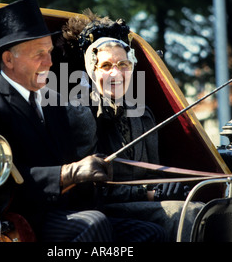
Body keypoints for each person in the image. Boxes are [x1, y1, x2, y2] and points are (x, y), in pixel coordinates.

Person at [0, 0, 166, 242]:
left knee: (151, 234)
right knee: (94, 224)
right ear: (9, 60)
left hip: (68, 210)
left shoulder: (55, 101)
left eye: (50, 52)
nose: (49, 62)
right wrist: (69, 173)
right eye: (39, 54)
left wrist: (93, 173)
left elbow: (78, 168)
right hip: (22, 216)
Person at [61, 13, 203, 241]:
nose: (116, 73)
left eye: (123, 64)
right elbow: (89, 190)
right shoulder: (81, 113)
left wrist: (165, 188)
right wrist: (150, 194)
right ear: (91, 70)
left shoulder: (143, 115)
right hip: (100, 211)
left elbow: (151, 173)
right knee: (188, 214)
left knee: (203, 210)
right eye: (106, 65)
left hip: (139, 205)